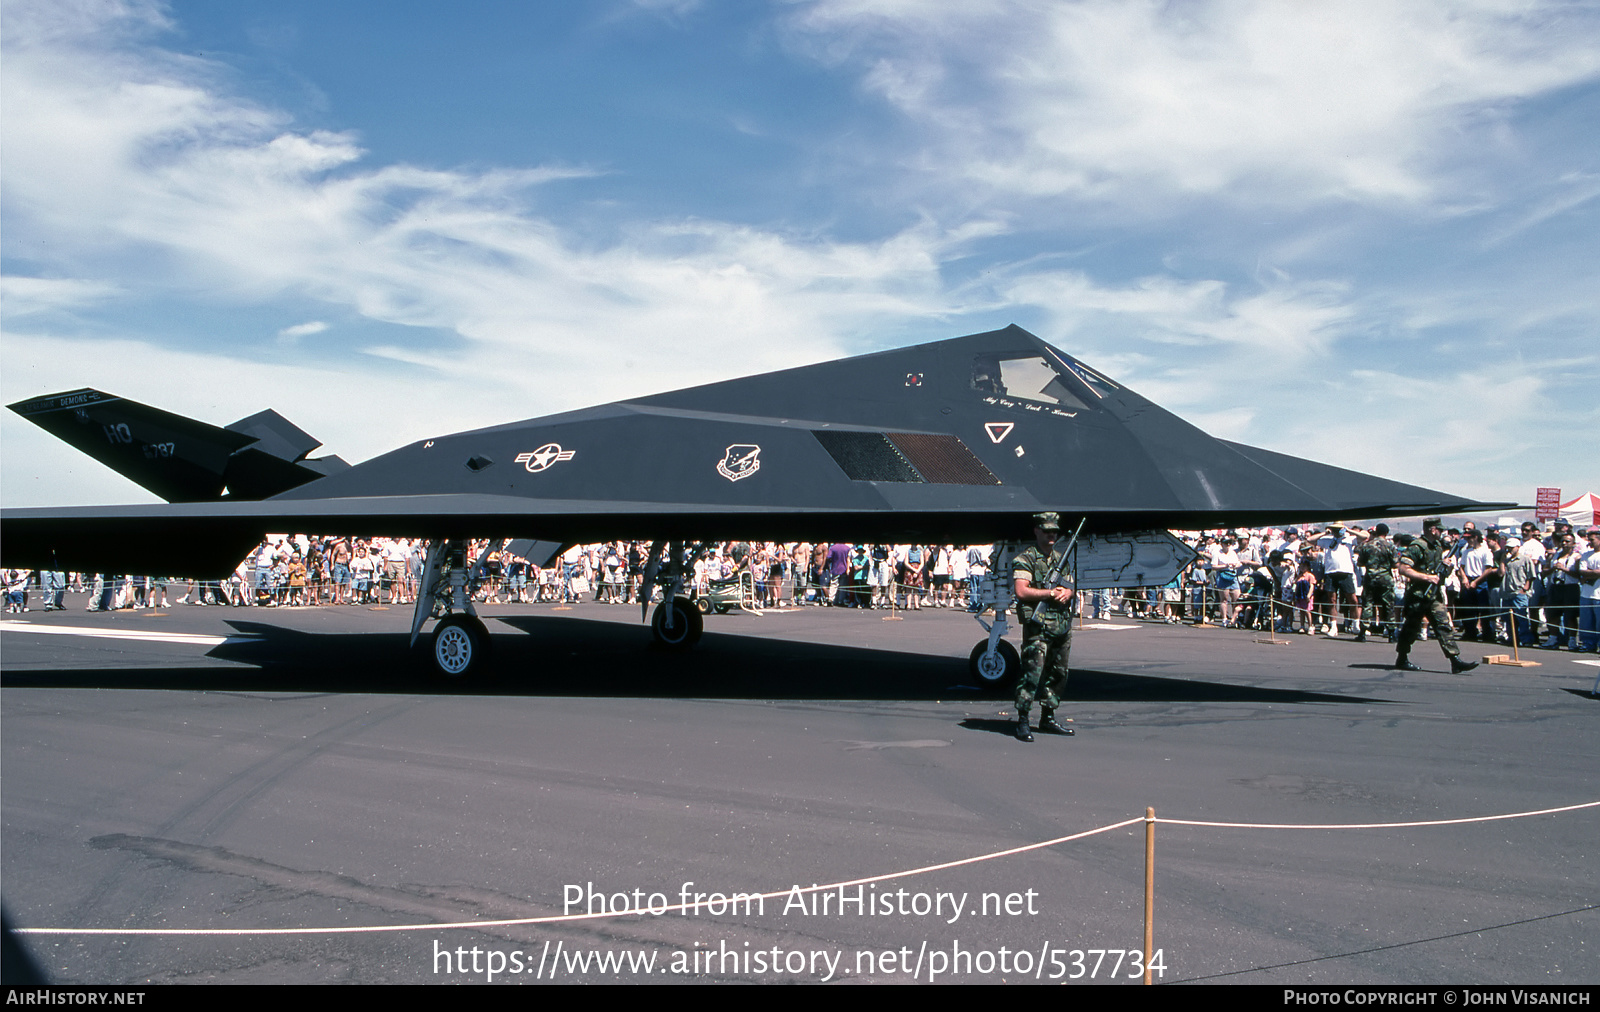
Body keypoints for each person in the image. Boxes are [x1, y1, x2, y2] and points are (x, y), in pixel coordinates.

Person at [1010, 513, 1076, 742]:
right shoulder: (1025, 558)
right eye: (1046, 530)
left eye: (1054, 531)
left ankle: (1047, 718)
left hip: (1061, 624)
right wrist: (1050, 593)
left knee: (1059, 673)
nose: (1051, 535)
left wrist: (1068, 592)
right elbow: (1021, 591)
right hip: (1038, 627)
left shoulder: (1060, 558)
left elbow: (1069, 585)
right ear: (1036, 531)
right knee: (1032, 674)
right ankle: (1023, 721)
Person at [1395, 518, 1478, 674]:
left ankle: (1455, 660)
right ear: (1433, 530)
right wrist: (1427, 577)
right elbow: (1404, 569)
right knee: (1410, 628)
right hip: (1418, 594)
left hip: (1434, 594)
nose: (1441, 533)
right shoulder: (1417, 546)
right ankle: (1402, 658)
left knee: (1443, 625)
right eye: (1439, 530)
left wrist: (1446, 567)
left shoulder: (1437, 546)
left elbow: (1439, 572)